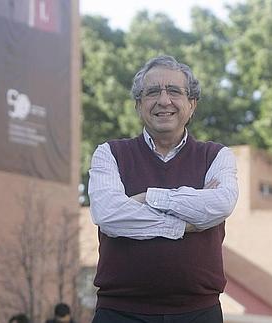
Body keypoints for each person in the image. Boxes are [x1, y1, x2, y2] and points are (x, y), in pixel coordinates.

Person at [88, 55, 239, 323]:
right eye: (153, 92)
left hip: (198, 313)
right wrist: (185, 223)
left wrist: (149, 198)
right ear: (139, 105)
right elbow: (108, 215)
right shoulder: (110, 153)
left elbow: (222, 204)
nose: (164, 100)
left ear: (192, 104)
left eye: (174, 91)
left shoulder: (216, 156)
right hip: (120, 313)